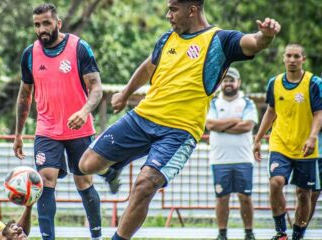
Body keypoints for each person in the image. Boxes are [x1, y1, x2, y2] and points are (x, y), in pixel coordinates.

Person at [78, 0, 281, 239]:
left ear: (192, 10)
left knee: (144, 185)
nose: (168, 15)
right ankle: (113, 170)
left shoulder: (220, 40)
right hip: (142, 118)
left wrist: (265, 36)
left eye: (173, 9)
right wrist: (125, 93)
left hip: (178, 132)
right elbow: (148, 67)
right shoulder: (167, 39)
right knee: (86, 165)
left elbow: (253, 42)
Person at [13, 3, 104, 240]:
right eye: (37, 25)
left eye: (46, 23)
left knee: (83, 182)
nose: (41, 29)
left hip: (79, 128)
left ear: (58, 23)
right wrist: (18, 134)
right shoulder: (29, 54)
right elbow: (24, 95)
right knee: (44, 181)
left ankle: (97, 236)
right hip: (47, 129)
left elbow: (96, 88)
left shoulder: (79, 47)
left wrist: (84, 111)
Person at [253, 43, 322, 240]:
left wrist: (312, 137)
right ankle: (281, 232)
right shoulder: (274, 83)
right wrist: (257, 139)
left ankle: (298, 235)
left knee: (303, 193)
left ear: (303, 59)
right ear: (283, 58)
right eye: (289, 56)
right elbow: (270, 111)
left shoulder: (314, 83)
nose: (292, 60)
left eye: (296, 56)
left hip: (305, 147)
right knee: (276, 182)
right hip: (280, 144)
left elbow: (319, 113)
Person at [206, 67, 258, 240]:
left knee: (245, 197)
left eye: (231, 80)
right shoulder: (213, 102)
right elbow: (210, 125)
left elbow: (248, 126)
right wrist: (236, 121)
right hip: (219, 160)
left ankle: (249, 232)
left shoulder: (247, 102)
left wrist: (222, 126)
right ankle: (222, 234)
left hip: (243, 159)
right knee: (222, 198)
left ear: (239, 83)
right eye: (225, 80)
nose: (228, 83)